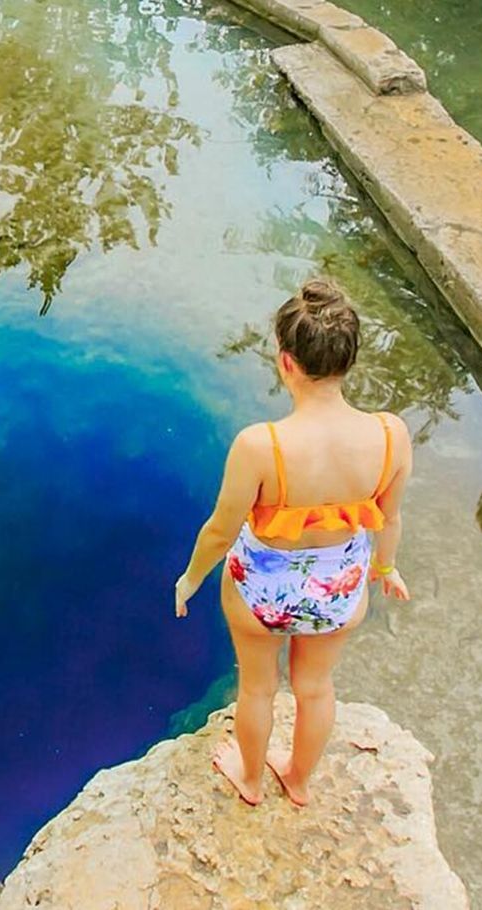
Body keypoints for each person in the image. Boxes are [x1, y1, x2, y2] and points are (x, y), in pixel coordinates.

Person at [173, 278, 413, 807]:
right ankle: (299, 779)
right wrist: (386, 568)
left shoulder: (262, 445)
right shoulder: (392, 434)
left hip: (264, 592)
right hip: (340, 588)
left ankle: (252, 778)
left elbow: (219, 529)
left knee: (257, 688)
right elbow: (389, 519)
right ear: (350, 360)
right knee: (315, 687)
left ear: (285, 361)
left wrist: (190, 579)